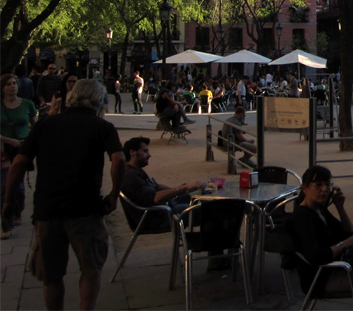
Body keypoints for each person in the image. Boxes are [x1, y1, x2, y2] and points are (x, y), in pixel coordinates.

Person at [2, 79, 125, 310]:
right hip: (85, 210)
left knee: (51, 276)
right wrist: (114, 194)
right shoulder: (102, 127)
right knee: (91, 271)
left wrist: (9, 200)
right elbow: (118, 159)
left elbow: (19, 163)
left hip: (48, 211)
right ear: (98, 101)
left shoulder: (46, 125)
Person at [288, 166, 353, 296]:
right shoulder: (302, 217)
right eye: (318, 185)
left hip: (341, 267)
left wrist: (340, 207)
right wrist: (345, 244)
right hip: (322, 278)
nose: (324, 190)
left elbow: (348, 232)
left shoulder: (319, 209)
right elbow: (317, 256)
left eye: (327, 185)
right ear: (305, 188)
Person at [121, 136, 203, 229]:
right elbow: (156, 198)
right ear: (132, 152)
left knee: (195, 195)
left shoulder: (135, 170)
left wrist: (183, 189)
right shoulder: (131, 176)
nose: (149, 155)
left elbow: (156, 186)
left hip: (163, 208)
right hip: (156, 216)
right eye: (145, 151)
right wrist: (182, 188)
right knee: (206, 210)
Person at [1, 73, 38, 238]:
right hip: (2, 148)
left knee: (19, 187)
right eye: (8, 84)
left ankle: (17, 210)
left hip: (22, 147)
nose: (12, 86)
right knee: (4, 185)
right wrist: (8, 140)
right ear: (2, 88)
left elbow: (35, 127)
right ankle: (6, 224)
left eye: (14, 83)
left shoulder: (27, 104)